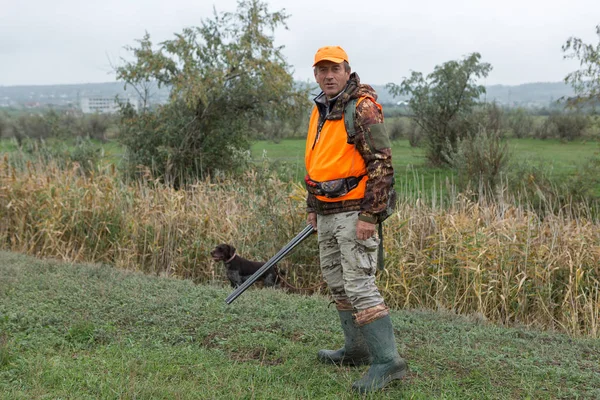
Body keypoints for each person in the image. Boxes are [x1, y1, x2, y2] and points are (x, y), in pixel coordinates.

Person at [304, 45, 407, 394]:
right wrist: (311, 206)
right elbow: (316, 162)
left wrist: (370, 215)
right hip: (327, 211)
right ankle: (356, 350)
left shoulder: (361, 107)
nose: (328, 76)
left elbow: (382, 163)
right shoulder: (320, 108)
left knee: (360, 283)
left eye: (334, 69)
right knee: (337, 282)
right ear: (315, 74)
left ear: (348, 71)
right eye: (322, 70)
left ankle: (388, 362)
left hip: (354, 212)